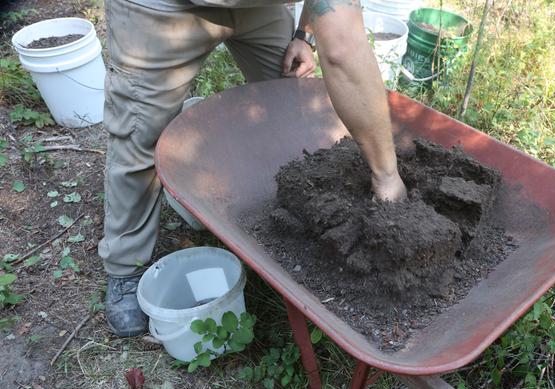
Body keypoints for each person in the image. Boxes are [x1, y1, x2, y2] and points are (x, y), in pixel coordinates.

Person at [100, 0, 407, 336]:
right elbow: (343, 51)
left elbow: (338, 29)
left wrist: (304, 35)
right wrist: (387, 176)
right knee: (139, 130)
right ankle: (125, 265)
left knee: (290, 102)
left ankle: (290, 219)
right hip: (162, 8)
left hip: (258, 6)